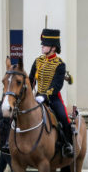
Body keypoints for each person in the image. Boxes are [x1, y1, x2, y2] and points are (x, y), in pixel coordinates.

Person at [29, 28, 74, 158]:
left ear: (53, 48)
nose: (42, 46)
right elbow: (31, 79)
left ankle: (68, 145)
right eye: (42, 44)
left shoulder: (60, 64)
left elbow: (57, 84)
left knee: (63, 118)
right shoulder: (38, 61)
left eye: (45, 44)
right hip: (37, 97)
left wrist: (45, 95)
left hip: (53, 98)